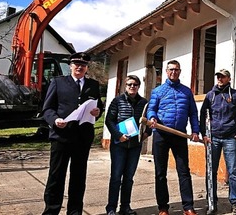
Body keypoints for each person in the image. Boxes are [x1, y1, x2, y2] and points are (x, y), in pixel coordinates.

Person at [41, 52, 104, 215]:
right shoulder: (58, 82)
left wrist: (98, 112)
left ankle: (75, 211)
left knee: (78, 177)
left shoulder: (93, 85)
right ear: (70, 66)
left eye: (83, 65)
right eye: (76, 64)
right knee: (56, 176)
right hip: (61, 136)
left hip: (82, 138)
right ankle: (51, 210)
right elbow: (47, 109)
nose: (79, 67)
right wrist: (55, 120)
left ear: (87, 67)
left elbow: (99, 107)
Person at [146, 60, 200, 215]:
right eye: (171, 70)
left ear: (180, 71)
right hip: (161, 135)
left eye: (176, 70)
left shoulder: (186, 92)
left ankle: (188, 207)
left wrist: (195, 131)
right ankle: (163, 207)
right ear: (166, 71)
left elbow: (193, 114)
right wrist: (152, 117)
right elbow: (151, 109)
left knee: (184, 171)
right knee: (160, 172)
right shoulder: (158, 91)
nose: (173, 72)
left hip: (179, 135)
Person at [199, 69, 236, 215]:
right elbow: (203, 114)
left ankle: (235, 203)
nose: (219, 79)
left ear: (229, 78)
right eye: (218, 77)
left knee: (233, 171)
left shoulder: (235, 94)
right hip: (213, 139)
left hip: (231, 138)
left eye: (222, 77)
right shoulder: (210, 95)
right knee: (211, 171)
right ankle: (211, 203)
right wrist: (204, 134)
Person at [104, 75, 152, 215]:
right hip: (119, 145)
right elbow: (109, 120)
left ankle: (125, 207)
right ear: (125, 86)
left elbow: (150, 120)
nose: (132, 87)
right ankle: (111, 208)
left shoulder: (144, 102)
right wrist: (119, 135)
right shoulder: (117, 101)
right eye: (130, 84)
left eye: (135, 84)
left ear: (138, 86)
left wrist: (147, 133)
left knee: (129, 178)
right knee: (116, 177)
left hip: (135, 146)